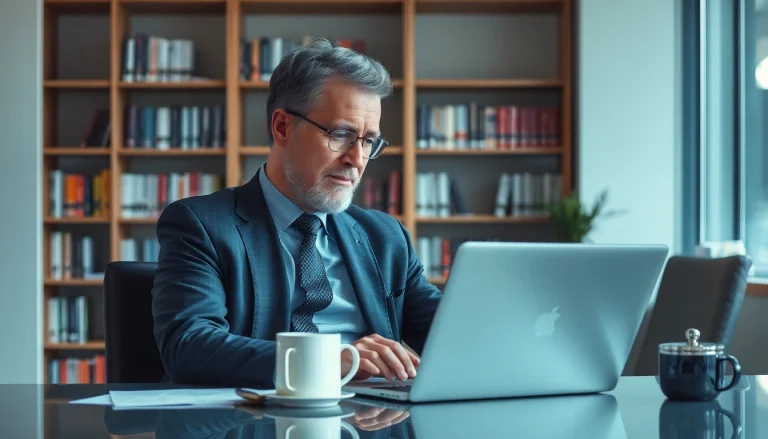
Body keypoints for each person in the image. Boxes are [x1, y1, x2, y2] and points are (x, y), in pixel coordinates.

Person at [151, 38, 442, 388]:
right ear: (282, 127)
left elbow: (451, 336)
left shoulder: (386, 237)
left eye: (368, 141)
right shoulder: (202, 225)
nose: (357, 159)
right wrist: (329, 360)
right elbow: (189, 347)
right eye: (341, 134)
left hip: (374, 422)